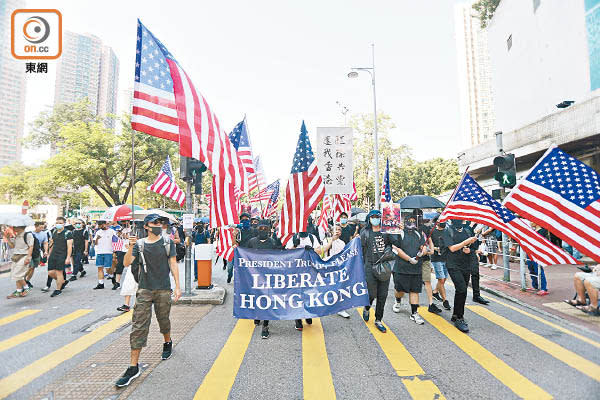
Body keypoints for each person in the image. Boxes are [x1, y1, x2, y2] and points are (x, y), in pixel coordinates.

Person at [116, 214, 181, 388]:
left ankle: (167, 341)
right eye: (155, 223)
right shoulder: (139, 244)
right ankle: (133, 367)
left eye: (160, 223)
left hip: (163, 288)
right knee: (138, 325)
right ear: (146, 226)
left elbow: (173, 263)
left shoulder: (167, 243)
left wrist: (177, 286)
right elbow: (127, 263)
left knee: (163, 319)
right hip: (144, 289)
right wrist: (130, 246)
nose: (158, 225)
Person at [246, 219, 281, 339]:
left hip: (269, 276)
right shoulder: (251, 242)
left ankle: (265, 325)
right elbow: (245, 257)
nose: (263, 230)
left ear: (269, 230)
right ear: (257, 229)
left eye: (265, 229)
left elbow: (280, 258)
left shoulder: (273, 242)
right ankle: (257, 315)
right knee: (257, 298)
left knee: (267, 300)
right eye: (260, 228)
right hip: (255, 276)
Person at [442, 219, 478, 332]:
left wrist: (469, 249)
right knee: (461, 288)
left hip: (466, 264)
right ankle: (460, 318)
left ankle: (456, 315)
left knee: (462, 290)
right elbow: (452, 248)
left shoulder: (467, 231)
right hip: (453, 264)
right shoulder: (448, 231)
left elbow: (474, 247)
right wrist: (465, 242)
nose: (462, 220)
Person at [391, 216, 428, 325]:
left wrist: (423, 252)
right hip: (402, 268)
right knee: (399, 290)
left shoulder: (418, 234)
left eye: (413, 221)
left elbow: (424, 246)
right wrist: (409, 259)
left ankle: (414, 313)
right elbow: (396, 248)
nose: (411, 223)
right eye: (409, 221)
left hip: (416, 269)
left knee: (415, 290)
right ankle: (398, 301)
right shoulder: (399, 233)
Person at [360, 210, 392, 333]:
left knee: (383, 295)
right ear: (369, 219)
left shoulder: (386, 232)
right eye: (372, 217)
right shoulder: (365, 232)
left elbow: (396, 243)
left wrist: (398, 231)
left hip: (384, 266)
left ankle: (378, 320)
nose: (375, 219)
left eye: (377, 217)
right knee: (372, 294)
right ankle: (367, 307)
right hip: (369, 267)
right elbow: (361, 251)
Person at [286, 229, 323, 331]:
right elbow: (286, 254)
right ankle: (298, 319)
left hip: (309, 271)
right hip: (296, 271)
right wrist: (294, 245)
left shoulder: (312, 237)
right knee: (297, 294)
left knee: (308, 293)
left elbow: (319, 251)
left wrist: (311, 249)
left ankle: (307, 314)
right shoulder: (293, 238)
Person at [320, 224, 350, 318]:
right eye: (335, 229)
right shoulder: (326, 240)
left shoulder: (342, 243)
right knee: (328, 287)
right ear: (331, 231)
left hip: (338, 267)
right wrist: (331, 240)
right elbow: (323, 250)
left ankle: (341, 309)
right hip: (328, 267)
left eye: (339, 229)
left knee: (340, 287)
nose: (337, 231)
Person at [45, 217, 73, 297]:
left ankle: (58, 290)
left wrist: (68, 258)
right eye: (57, 222)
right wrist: (48, 253)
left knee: (59, 272)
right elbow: (52, 244)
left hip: (62, 255)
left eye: (60, 223)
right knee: (50, 272)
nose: (58, 224)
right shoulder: (54, 231)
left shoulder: (68, 233)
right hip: (53, 254)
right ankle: (62, 281)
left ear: (64, 223)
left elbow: (69, 247)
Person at [6, 225, 34, 299]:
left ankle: (26, 287)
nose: (13, 228)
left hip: (24, 256)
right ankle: (19, 291)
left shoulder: (28, 235)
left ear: (20, 227)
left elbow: (31, 246)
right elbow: (12, 246)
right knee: (15, 274)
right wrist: (8, 238)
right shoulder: (17, 235)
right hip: (16, 256)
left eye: (14, 227)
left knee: (17, 274)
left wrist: (28, 257)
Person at [466, 223, 490, 305]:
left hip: (472, 252)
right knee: (464, 275)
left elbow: (474, 240)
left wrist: (476, 252)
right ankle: (462, 294)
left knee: (475, 273)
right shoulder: (465, 223)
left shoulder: (477, 224)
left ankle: (476, 295)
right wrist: (471, 225)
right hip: (461, 252)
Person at [430, 219, 451, 311]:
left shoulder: (448, 231)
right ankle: (445, 300)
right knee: (441, 279)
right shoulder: (432, 232)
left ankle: (435, 292)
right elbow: (427, 244)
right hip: (436, 258)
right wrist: (435, 248)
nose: (443, 222)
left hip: (446, 258)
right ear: (437, 222)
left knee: (444, 279)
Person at [93, 220, 116, 289]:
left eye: (101, 225)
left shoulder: (111, 231)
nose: (100, 226)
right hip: (99, 252)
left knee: (108, 268)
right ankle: (101, 283)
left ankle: (112, 276)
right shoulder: (98, 232)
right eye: (99, 225)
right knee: (100, 268)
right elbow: (95, 243)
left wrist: (115, 252)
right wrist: (97, 238)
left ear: (106, 224)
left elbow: (115, 241)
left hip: (108, 252)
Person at [25, 222, 48, 289]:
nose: (42, 229)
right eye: (40, 227)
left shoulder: (44, 234)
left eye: (43, 227)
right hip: (29, 253)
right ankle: (22, 279)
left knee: (33, 268)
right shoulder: (30, 234)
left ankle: (27, 281)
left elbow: (45, 243)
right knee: (30, 267)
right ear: (35, 226)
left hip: (37, 253)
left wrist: (46, 251)